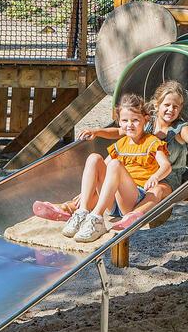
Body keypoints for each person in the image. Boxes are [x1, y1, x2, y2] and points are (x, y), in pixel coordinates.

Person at [59, 93, 170, 244]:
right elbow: (101, 171)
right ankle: (83, 212)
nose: (129, 125)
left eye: (135, 120)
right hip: (112, 202)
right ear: (119, 122)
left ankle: (97, 218)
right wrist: (85, 192)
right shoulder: (120, 145)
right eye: (125, 120)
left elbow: (166, 166)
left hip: (133, 198)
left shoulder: (152, 142)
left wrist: (155, 176)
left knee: (115, 165)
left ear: (145, 119)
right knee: (94, 159)